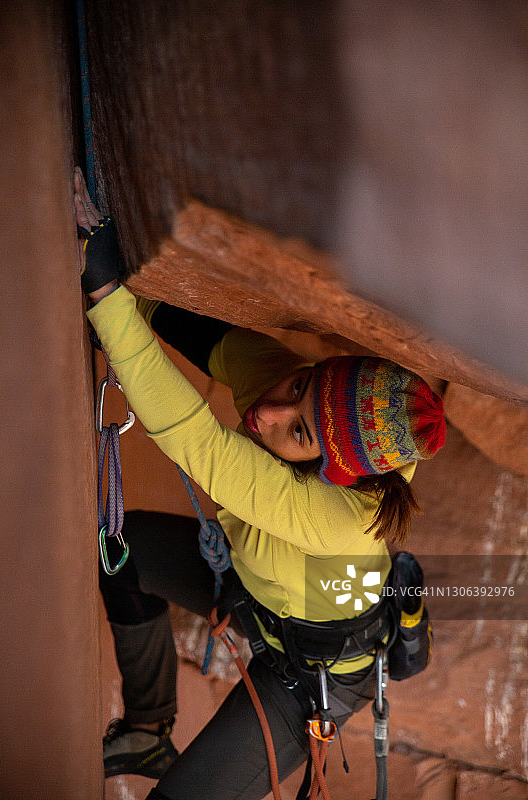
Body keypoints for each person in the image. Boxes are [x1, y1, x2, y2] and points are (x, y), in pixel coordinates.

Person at [74, 168, 445, 800]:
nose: (268, 414)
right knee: (120, 551)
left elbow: (201, 444)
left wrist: (106, 292)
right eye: (299, 388)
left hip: (303, 682)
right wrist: (134, 283)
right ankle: (146, 729)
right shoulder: (322, 412)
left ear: (336, 471)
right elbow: (217, 345)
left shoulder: (334, 515)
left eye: (297, 433)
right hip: (259, 592)